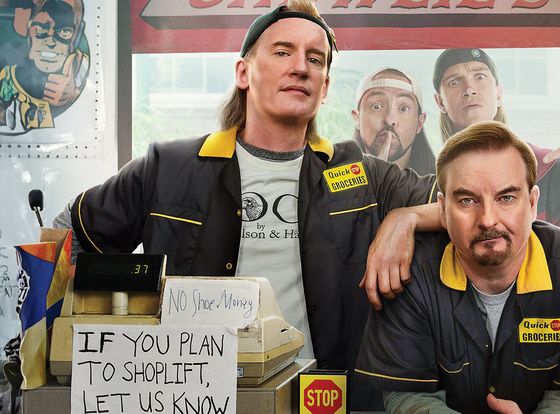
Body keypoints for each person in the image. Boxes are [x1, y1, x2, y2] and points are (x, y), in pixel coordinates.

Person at [52, 1, 436, 409]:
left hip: (326, 402)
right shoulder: (169, 166)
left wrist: (404, 216)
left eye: (315, 59)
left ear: (324, 88)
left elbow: (470, 204)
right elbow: (65, 236)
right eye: (283, 52)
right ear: (243, 73)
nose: (301, 67)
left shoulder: (364, 175)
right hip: (194, 400)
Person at [356, 121, 560, 413]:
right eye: (467, 200)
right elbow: (407, 397)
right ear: (441, 209)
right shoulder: (410, 277)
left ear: (531, 203)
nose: (488, 219)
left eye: (506, 198)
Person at [433, 48, 560, 252]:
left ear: (499, 93)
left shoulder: (550, 173)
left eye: (480, 76)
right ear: (440, 102)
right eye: (454, 82)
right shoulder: (429, 186)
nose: (469, 89)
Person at [0, 0, 89, 133]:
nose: (51, 42)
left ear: (75, 36)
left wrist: (73, 90)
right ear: (26, 29)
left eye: (64, 31)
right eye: (41, 29)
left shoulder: (80, 63)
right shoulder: (8, 78)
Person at [352, 67, 435, 175]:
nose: (390, 120)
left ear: (419, 123)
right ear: (357, 118)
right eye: (376, 106)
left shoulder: (442, 183)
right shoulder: (332, 182)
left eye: (403, 108)